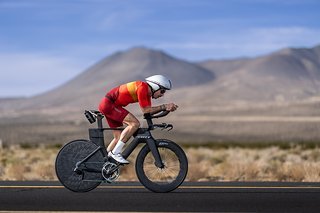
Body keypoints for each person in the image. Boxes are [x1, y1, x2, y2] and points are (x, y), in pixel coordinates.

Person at [98, 75, 178, 164]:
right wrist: (164, 106)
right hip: (109, 105)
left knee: (118, 138)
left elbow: (148, 113)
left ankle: (101, 160)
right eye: (162, 91)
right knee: (134, 124)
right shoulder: (142, 87)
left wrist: (165, 110)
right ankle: (115, 153)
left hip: (110, 105)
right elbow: (146, 110)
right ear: (155, 86)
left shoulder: (147, 94)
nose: (162, 95)